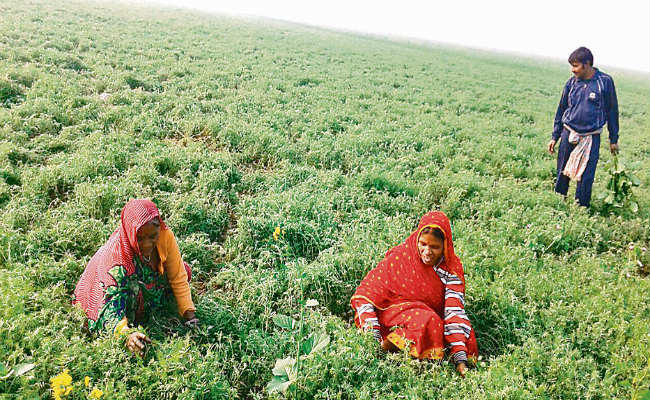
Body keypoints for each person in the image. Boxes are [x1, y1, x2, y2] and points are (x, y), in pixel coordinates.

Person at [350, 211, 478, 377]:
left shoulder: (450, 270)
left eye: (435, 247)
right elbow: (366, 293)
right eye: (423, 244)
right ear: (417, 239)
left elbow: (454, 311)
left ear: (445, 246)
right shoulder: (402, 256)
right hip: (393, 314)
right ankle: (382, 350)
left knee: (467, 338)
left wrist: (460, 358)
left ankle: (418, 353)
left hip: (431, 316)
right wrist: (372, 333)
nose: (427, 251)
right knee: (427, 321)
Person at [73, 199, 198, 356]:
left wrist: (190, 316)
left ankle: (148, 304)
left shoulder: (165, 236)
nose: (147, 244)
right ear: (130, 233)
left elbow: (178, 276)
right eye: (139, 238)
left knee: (185, 270)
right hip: (102, 289)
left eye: (152, 236)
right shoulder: (116, 258)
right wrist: (126, 334)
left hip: (141, 279)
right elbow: (111, 303)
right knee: (131, 289)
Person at [547, 47, 619, 207]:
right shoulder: (572, 83)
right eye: (572, 66)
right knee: (562, 171)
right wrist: (554, 136)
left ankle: (581, 209)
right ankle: (558, 203)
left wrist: (613, 139)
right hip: (568, 132)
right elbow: (561, 109)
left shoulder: (604, 82)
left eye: (576, 66)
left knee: (586, 177)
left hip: (591, 137)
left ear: (587, 64)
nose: (573, 70)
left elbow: (612, 111)